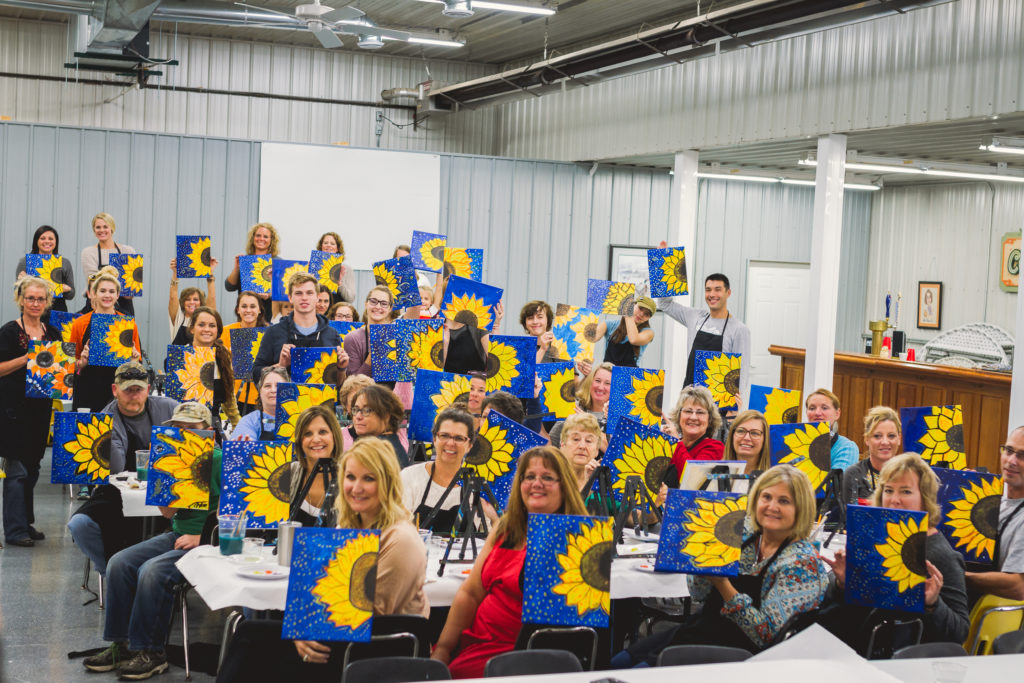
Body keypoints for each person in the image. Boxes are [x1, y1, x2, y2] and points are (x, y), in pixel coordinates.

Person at [217, 436, 428, 683]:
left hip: (376, 649)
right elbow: (324, 590)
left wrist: (307, 630)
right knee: (250, 633)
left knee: (252, 642)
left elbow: (374, 612)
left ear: (387, 483)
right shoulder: (350, 525)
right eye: (350, 477)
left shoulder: (400, 538)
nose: (356, 488)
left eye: (368, 479)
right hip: (340, 634)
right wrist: (302, 630)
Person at [615, 466, 829, 666]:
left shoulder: (801, 564)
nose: (772, 506)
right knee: (619, 662)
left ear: (801, 508)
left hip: (738, 655)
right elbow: (698, 594)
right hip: (702, 630)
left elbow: (768, 637)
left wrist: (723, 585)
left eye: (784, 501)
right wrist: (702, 563)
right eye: (766, 497)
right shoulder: (746, 538)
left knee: (636, 671)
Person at [82, 402, 219, 679]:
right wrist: (164, 486)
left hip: (207, 542)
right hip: (177, 534)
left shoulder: (218, 459)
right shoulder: (172, 458)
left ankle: (152, 652)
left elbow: (238, 510)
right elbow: (169, 514)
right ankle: (122, 644)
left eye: (192, 429)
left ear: (209, 432)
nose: (184, 434)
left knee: (152, 571)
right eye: (179, 428)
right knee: (119, 562)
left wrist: (202, 537)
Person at [431, 446, 587, 678]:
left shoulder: (576, 539)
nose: (537, 483)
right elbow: (471, 593)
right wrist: (443, 649)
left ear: (564, 486)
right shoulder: (506, 528)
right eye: (529, 477)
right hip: (475, 644)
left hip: (522, 659)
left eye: (547, 477)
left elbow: (562, 635)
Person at [823, 453, 969, 646]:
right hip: (851, 647)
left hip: (902, 663)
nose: (894, 500)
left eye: (906, 492)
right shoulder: (871, 538)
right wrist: (841, 583)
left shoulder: (941, 555)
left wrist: (933, 604)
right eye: (889, 490)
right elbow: (846, 606)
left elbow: (960, 633)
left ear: (925, 498)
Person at [67, 362, 179, 574]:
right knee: (79, 525)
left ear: (148, 389)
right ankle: (112, 572)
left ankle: (154, 576)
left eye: (139, 389)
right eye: (127, 390)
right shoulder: (105, 419)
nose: (133, 395)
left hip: (168, 491)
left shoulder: (169, 408)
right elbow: (116, 469)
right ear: (114, 390)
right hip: (115, 492)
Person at [0, 277, 61, 546]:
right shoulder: (10, 332)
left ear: (47, 302)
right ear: (21, 300)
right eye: (30, 298)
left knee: (34, 467)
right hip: (13, 409)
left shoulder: (53, 334)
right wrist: (28, 358)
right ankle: (14, 531)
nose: (35, 303)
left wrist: (75, 364)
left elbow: (60, 372)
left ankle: (25, 522)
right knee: (17, 471)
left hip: (41, 409)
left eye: (40, 299)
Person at [656, 268, 751, 408]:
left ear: (728, 293)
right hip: (688, 395)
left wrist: (735, 409)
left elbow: (741, 373)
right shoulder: (695, 316)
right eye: (708, 290)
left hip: (717, 404)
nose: (712, 294)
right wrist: (662, 264)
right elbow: (665, 304)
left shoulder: (739, 329)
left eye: (717, 289)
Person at [68, 267, 142, 412]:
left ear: (117, 295)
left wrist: (134, 360)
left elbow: (137, 365)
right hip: (87, 390)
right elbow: (69, 365)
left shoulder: (128, 324)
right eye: (102, 291)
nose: (107, 295)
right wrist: (81, 363)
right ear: (93, 293)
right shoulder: (80, 323)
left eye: (111, 291)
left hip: (118, 391)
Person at [252, 271, 348, 379]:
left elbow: (338, 385)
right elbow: (256, 373)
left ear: (317, 297)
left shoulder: (332, 334)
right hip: (283, 395)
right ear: (290, 297)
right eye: (298, 293)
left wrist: (341, 369)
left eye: (309, 293)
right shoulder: (273, 333)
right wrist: (280, 366)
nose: (304, 297)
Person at [966, 426, 1024, 601]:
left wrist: (959, 577)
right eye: (1008, 450)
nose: (1011, 461)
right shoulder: (995, 501)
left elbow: (1018, 587)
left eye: (1022, 455)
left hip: (986, 618)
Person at [401, 406, 476, 532]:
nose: (451, 443)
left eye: (459, 438)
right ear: (434, 439)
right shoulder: (409, 478)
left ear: (469, 445)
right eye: (444, 435)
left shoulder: (476, 487)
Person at [343, 285, 418, 378]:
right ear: (366, 304)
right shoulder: (353, 338)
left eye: (384, 303)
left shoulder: (397, 335)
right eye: (373, 302)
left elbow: (413, 313)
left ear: (390, 308)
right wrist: (373, 355)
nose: (378, 307)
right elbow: (353, 382)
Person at [185, 306, 240, 428]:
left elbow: (229, 399)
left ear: (218, 330)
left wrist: (238, 425)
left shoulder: (224, 358)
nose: (207, 329)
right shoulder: (179, 357)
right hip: (183, 427)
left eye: (212, 325)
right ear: (192, 328)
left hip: (212, 426)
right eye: (201, 324)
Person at [661, 385, 725, 489]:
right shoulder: (668, 445)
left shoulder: (715, 447)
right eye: (688, 411)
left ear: (709, 420)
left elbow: (693, 483)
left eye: (700, 412)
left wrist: (676, 442)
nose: (693, 417)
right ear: (679, 416)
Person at [80, 212, 137, 315]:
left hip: (124, 305)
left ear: (112, 228)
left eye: (105, 227)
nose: (101, 230)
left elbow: (130, 292)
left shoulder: (128, 251)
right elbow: (93, 283)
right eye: (98, 227)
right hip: (96, 304)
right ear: (94, 230)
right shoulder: (88, 252)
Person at [220, 291, 270, 410]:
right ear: (238, 310)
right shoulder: (225, 332)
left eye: (252, 306)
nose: (248, 310)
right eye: (244, 306)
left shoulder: (269, 333)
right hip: (231, 395)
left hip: (260, 396)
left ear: (260, 310)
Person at [842, 406, 901, 506]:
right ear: (867, 439)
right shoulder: (853, 474)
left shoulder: (908, 475)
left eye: (891, 436)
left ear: (899, 438)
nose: (885, 442)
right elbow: (848, 519)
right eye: (877, 436)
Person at [224, 222, 279, 324]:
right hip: (245, 318)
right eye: (258, 235)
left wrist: (270, 294)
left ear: (271, 241)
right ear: (253, 238)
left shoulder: (277, 262)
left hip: (267, 318)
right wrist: (236, 268)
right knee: (244, 339)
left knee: (263, 339)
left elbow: (284, 291)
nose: (261, 239)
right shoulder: (245, 261)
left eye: (266, 236)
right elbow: (229, 287)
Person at [557, 413, 610, 514]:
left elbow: (638, 518)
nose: (582, 446)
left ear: (596, 450)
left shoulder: (604, 485)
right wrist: (589, 487)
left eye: (589, 441)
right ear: (562, 444)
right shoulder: (549, 479)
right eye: (576, 439)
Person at [16, 224, 76, 313]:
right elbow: (18, 294)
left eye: (51, 239)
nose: (47, 241)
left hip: (57, 312)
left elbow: (71, 295)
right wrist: (22, 283)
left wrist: (67, 289)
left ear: (56, 242)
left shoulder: (64, 263)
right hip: (32, 310)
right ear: (36, 241)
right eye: (42, 238)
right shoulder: (25, 262)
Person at [346, 385, 409, 467]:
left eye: (367, 410)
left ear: (386, 415)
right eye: (356, 409)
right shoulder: (392, 443)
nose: (358, 416)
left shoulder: (374, 449)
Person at [804, 388, 859, 470]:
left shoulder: (846, 447)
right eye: (812, 408)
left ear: (837, 414)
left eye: (824, 408)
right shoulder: (794, 444)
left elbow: (837, 481)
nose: (817, 413)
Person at [167, 256, 218, 345]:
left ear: (201, 302)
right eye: (187, 299)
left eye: (195, 299)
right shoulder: (178, 318)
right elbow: (172, 297)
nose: (192, 302)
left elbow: (212, 298)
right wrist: (175, 273)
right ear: (182, 303)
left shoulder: (206, 319)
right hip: (179, 358)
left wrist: (210, 273)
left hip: (202, 358)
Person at [594, 296, 656, 367]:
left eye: (646, 314)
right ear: (633, 305)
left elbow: (634, 339)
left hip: (629, 375)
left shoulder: (649, 332)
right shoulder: (609, 325)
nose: (641, 314)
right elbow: (591, 338)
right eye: (640, 308)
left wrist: (627, 312)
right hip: (607, 373)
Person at [231, 366, 289, 441]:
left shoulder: (301, 419)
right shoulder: (250, 421)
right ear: (259, 391)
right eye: (267, 386)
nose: (273, 390)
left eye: (278, 385)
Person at [724, 409, 771, 478]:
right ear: (732, 435)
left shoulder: (774, 480)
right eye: (741, 431)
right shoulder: (715, 475)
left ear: (764, 439)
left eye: (755, 433)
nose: (747, 438)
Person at [314, 231, 355, 303]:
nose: (328, 245)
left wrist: (340, 284)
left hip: (337, 311)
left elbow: (350, 299)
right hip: (318, 310)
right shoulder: (313, 267)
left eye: (332, 244)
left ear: (337, 248)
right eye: (325, 243)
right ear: (321, 247)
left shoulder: (346, 269)